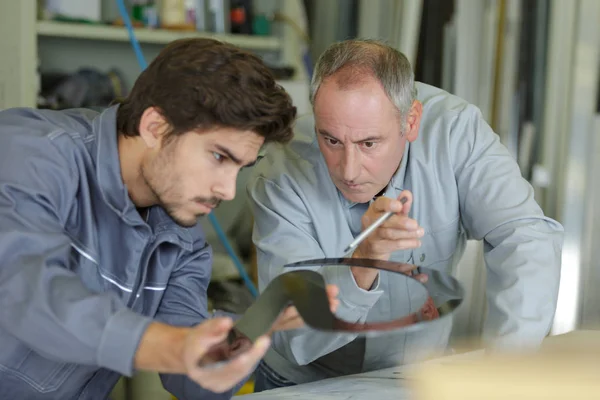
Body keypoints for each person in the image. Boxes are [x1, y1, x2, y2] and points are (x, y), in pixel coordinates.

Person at [0, 38, 338, 400]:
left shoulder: (182, 237)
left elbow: (191, 385)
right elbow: (22, 286)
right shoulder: (30, 152)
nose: (227, 190)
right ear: (155, 127)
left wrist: (250, 333)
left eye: (241, 167)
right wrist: (172, 346)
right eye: (219, 157)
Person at [247, 39, 564, 391]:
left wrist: (506, 372)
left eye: (369, 143)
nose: (349, 170)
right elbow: (296, 336)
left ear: (410, 121)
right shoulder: (281, 173)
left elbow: (523, 235)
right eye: (331, 140)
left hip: (415, 375)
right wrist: (363, 261)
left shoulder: (455, 134)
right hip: (307, 382)